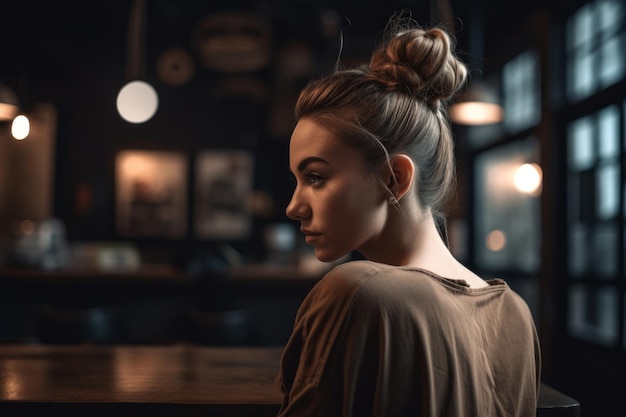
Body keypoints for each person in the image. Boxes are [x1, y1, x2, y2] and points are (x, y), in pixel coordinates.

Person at [276, 12, 541, 417]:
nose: (293, 206)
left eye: (315, 177)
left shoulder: (357, 291)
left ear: (394, 177)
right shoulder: (517, 314)